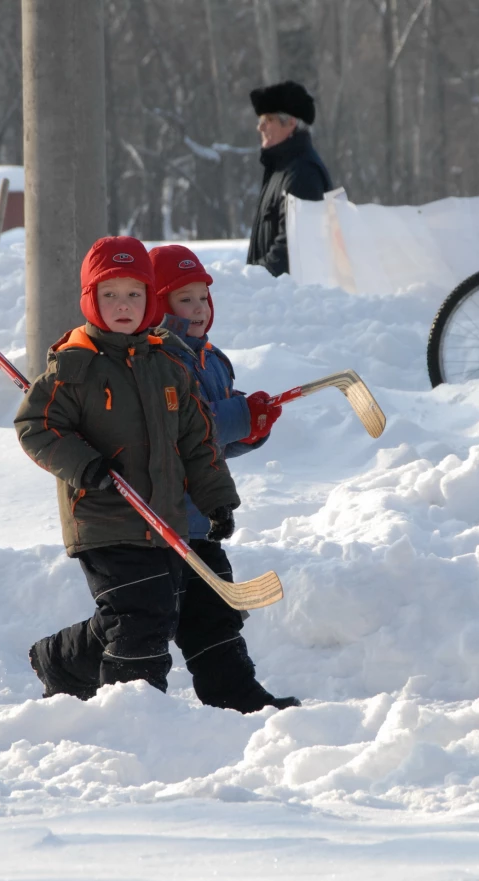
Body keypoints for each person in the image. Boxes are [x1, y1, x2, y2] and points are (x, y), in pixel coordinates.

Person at [16, 236, 240, 701]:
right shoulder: (74, 365)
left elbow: (197, 442)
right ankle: (133, 713)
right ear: (90, 300)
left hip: (161, 516)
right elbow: (35, 425)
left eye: (134, 293)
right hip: (103, 515)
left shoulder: (167, 364)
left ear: (149, 298)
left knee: (143, 613)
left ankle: (61, 662)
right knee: (142, 618)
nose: (124, 304)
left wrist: (217, 499)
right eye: (110, 293)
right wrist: (84, 465)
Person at [149, 243, 301, 713]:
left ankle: (237, 695)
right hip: (156, 519)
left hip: (199, 514)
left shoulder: (212, 359)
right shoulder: (158, 360)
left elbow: (212, 443)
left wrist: (255, 427)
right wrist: (239, 414)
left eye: (203, 298)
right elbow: (183, 429)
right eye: (184, 299)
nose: (198, 309)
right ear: (159, 304)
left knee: (215, 612)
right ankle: (86, 676)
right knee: (146, 619)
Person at [247, 79, 333, 278]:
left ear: (291, 122)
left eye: (268, 120)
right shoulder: (280, 169)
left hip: (289, 303)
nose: (260, 128)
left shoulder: (303, 173)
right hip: (274, 299)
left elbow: (292, 249)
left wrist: (250, 281)